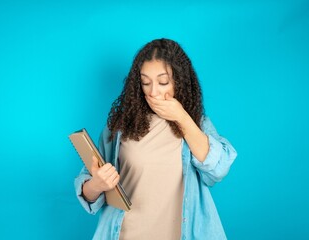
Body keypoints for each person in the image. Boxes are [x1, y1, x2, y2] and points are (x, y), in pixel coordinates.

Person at [74, 38, 237, 240]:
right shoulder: (119, 126)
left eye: (163, 82)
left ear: (179, 81)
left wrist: (182, 117)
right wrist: (96, 185)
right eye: (145, 82)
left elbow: (218, 169)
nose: (153, 91)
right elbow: (90, 192)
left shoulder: (196, 124)